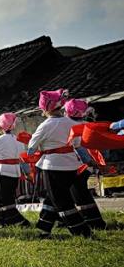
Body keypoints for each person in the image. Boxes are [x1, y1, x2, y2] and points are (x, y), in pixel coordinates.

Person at [28, 90, 91, 238]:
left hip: (53, 166)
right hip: (72, 165)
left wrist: (35, 150)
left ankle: (82, 231)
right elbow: (78, 146)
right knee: (53, 197)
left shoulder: (45, 125)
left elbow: (31, 148)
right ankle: (43, 229)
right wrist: (88, 161)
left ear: (44, 108)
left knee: (61, 200)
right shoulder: (71, 122)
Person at [0, 113, 31, 227]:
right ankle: (2, 221)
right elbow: (22, 158)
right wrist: (27, 173)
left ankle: (18, 220)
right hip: (15, 171)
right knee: (8, 197)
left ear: (0, 126)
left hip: (3, 171)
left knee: (2, 199)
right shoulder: (18, 140)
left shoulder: (0, 140)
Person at [64, 99, 106, 230]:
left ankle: (91, 220)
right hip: (89, 163)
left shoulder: (69, 126)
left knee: (78, 192)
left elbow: (75, 146)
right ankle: (93, 219)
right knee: (80, 191)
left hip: (79, 163)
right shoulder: (88, 125)